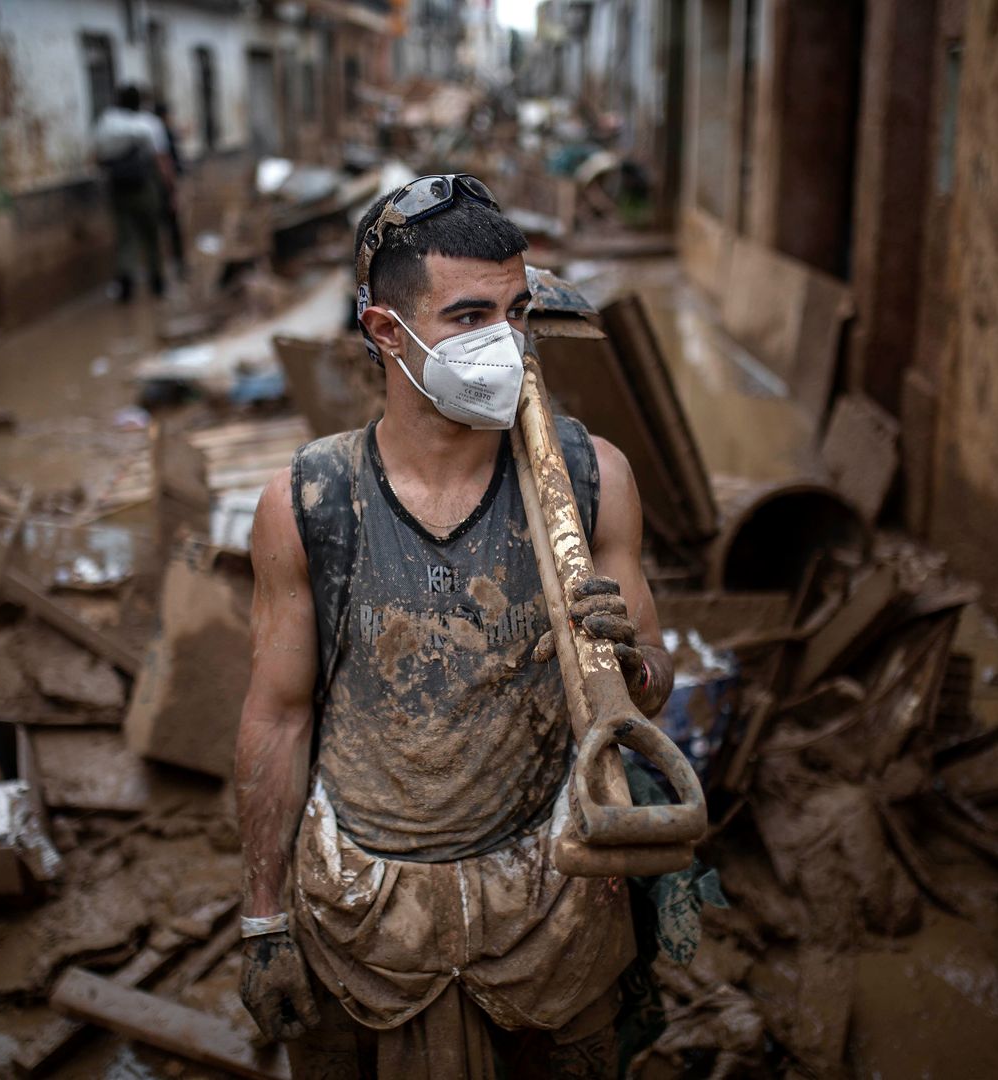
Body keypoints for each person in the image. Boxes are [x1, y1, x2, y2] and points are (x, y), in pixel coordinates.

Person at [235, 175, 676, 1079]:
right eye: (470, 317)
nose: (506, 345)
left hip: (553, 904)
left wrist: (628, 657)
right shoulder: (311, 502)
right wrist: (264, 918)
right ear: (385, 333)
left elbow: (648, 694)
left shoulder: (592, 482)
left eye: (518, 312)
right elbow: (277, 719)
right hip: (365, 913)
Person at [92, 84, 168, 301]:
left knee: (125, 237)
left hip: (118, 188)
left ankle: (126, 282)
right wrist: (168, 187)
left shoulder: (107, 123)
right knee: (151, 234)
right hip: (145, 186)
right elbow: (161, 159)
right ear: (139, 103)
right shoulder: (148, 124)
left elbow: (97, 157)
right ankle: (157, 282)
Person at [152, 100, 187, 279]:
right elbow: (167, 165)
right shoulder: (161, 136)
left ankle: (165, 271)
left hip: (155, 190)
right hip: (163, 189)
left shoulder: (151, 134)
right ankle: (176, 267)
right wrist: (173, 191)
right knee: (172, 228)